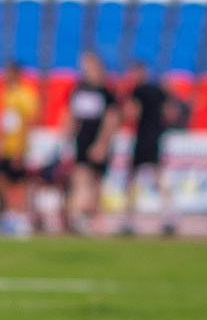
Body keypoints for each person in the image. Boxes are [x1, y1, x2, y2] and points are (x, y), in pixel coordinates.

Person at [64, 51, 117, 233]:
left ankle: (91, 217)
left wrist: (102, 143)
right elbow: (71, 115)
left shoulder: (106, 92)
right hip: (82, 140)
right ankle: (78, 218)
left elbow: (111, 119)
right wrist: (66, 136)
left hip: (97, 141)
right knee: (80, 177)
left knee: (95, 181)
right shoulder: (79, 89)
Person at [124, 62, 176, 236]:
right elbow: (169, 113)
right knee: (158, 178)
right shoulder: (159, 90)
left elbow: (132, 114)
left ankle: (129, 220)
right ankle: (169, 217)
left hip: (142, 137)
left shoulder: (137, 91)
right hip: (156, 137)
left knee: (133, 179)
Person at [0, 63, 40, 232]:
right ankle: (9, 214)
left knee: (19, 181)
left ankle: (20, 216)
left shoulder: (25, 94)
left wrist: (21, 148)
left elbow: (28, 122)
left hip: (18, 147)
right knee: (3, 179)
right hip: (6, 146)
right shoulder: (6, 92)